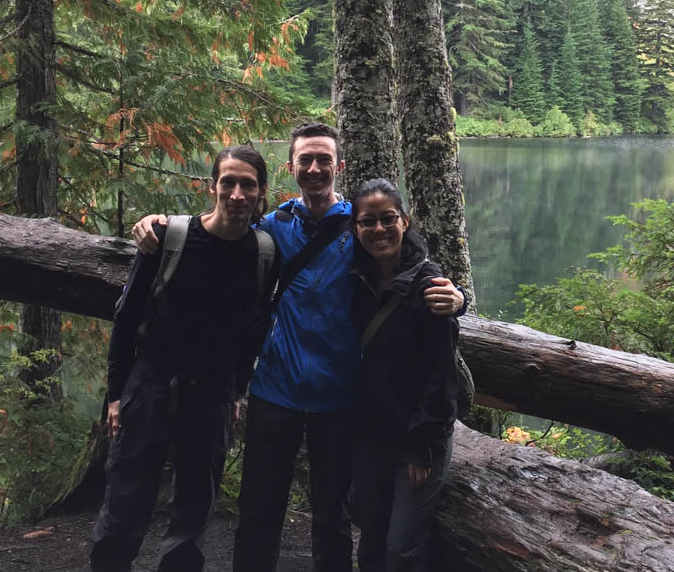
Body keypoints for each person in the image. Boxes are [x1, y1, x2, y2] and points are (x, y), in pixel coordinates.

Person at [131, 123, 464, 572]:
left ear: (338, 166)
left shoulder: (359, 229)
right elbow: (216, 225)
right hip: (275, 389)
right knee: (259, 510)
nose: (313, 168)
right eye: (304, 160)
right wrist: (159, 223)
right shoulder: (271, 227)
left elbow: (407, 264)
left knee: (332, 517)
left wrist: (456, 297)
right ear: (291, 167)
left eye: (323, 159)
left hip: (339, 396)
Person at [90, 145, 276, 572]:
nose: (236, 193)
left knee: (193, 511)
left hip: (211, 392)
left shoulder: (264, 254)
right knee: (125, 500)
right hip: (151, 383)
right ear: (211, 187)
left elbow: (254, 329)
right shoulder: (168, 238)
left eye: (247, 184)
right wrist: (116, 395)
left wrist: (236, 390)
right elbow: (126, 318)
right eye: (227, 182)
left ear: (262, 192)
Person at [349, 178, 465, 572]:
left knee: (402, 549)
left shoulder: (430, 285)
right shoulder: (353, 278)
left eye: (388, 219)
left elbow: (440, 373)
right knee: (370, 538)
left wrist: (422, 446)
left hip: (419, 436)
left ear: (405, 221)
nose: (378, 230)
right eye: (368, 222)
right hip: (371, 433)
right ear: (356, 228)